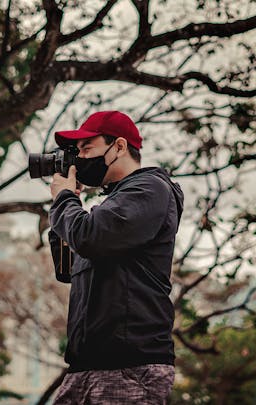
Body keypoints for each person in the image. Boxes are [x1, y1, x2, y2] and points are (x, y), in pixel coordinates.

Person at [48, 111, 184, 404]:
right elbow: (69, 267)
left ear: (119, 147)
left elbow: (88, 237)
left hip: (128, 366)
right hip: (87, 365)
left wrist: (65, 199)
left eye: (87, 149)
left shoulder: (149, 189)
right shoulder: (113, 203)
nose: (81, 159)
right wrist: (70, 203)